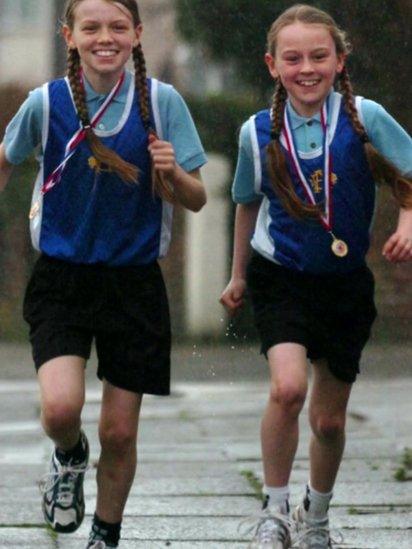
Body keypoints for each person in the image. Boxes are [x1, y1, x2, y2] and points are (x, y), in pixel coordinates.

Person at [0, 0, 207, 547]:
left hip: (134, 282)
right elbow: (6, 157)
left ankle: (106, 533)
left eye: (118, 26)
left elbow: (198, 197)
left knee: (119, 431)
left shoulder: (162, 104)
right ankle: (69, 455)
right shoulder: (45, 104)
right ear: (70, 36)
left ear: (137, 34)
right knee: (61, 407)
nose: (105, 37)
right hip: (63, 278)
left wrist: (172, 174)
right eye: (91, 27)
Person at [220, 4, 412, 548]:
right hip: (281, 277)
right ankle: (274, 512)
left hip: (346, 283)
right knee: (286, 389)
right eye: (293, 58)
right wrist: (237, 277)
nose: (307, 68)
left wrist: (407, 220)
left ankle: (317, 518)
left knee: (328, 423)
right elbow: (244, 205)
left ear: (340, 59)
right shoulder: (257, 133)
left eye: (319, 56)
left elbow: (410, 174)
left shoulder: (364, 118)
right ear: (272, 65)